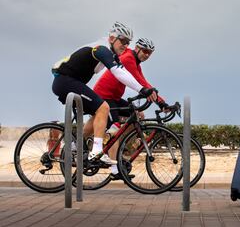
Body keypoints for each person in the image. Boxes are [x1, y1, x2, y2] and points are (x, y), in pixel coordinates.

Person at [51, 22, 153, 165]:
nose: (125, 45)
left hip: (71, 83)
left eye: (128, 42)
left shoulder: (111, 53)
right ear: (112, 38)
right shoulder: (101, 48)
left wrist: (143, 89)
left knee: (102, 113)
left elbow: (123, 71)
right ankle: (96, 151)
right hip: (65, 81)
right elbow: (117, 72)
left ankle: (74, 147)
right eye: (123, 41)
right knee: (104, 107)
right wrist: (141, 89)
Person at [93, 37, 169, 179]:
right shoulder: (128, 58)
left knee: (138, 115)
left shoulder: (136, 62)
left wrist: (160, 101)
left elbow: (143, 82)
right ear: (137, 49)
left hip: (114, 98)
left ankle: (116, 146)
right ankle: (115, 169)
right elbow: (141, 83)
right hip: (104, 96)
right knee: (113, 133)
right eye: (145, 51)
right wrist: (161, 102)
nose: (147, 55)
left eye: (150, 53)